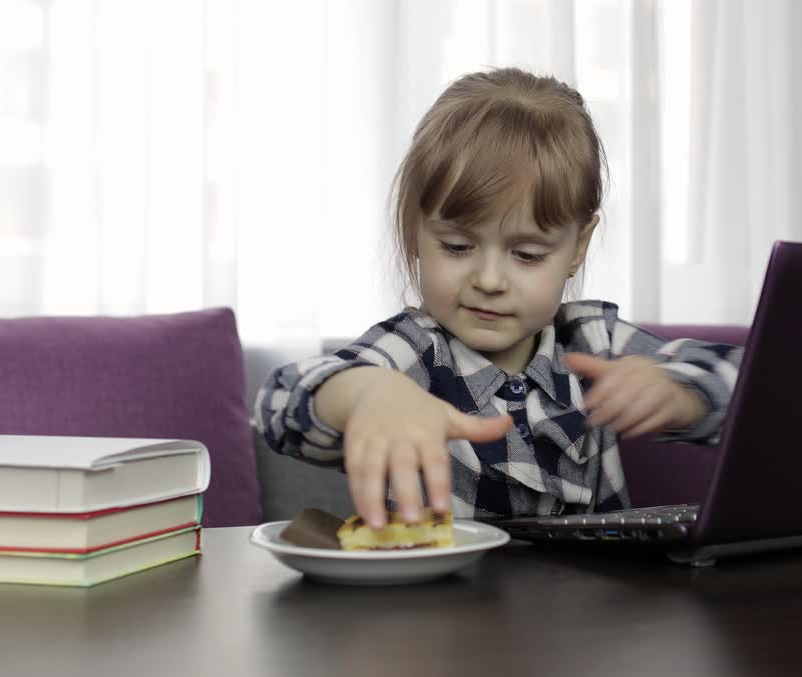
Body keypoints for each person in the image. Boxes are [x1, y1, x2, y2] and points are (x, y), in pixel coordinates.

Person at [254, 67, 742, 530]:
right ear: (416, 231)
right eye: (457, 247)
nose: (489, 280)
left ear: (577, 248)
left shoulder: (594, 341)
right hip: (442, 593)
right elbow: (277, 404)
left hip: (596, 593)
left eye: (527, 255)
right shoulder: (411, 352)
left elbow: (754, 386)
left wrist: (683, 394)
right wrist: (365, 394)